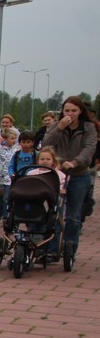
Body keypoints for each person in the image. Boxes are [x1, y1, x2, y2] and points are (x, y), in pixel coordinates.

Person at [42, 96, 99, 262]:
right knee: (55, 213)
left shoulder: (88, 127)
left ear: (80, 111)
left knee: (73, 217)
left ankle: (69, 248)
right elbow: (46, 144)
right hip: (58, 175)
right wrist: (59, 128)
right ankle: (52, 251)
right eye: (67, 110)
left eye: (74, 110)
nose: (70, 114)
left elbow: (89, 149)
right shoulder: (57, 126)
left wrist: (74, 162)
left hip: (79, 174)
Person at [0, 128, 18, 223]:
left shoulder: (15, 150)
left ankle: (6, 216)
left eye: (15, 138)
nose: (14, 141)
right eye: (12, 138)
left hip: (9, 179)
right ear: (5, 139)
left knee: (7, 198)